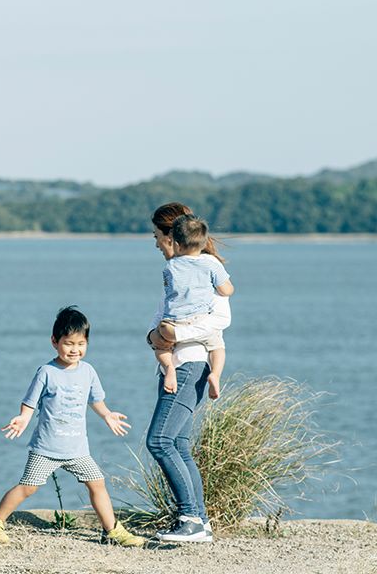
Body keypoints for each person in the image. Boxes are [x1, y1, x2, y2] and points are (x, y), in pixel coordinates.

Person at [0, 307, 144, 547]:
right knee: (28, 487)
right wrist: (24, 418)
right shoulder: (47, 372)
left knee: (97, 483)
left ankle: (112, 530)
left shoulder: (88, 371)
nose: (75, 349)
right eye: (68, 343)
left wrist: (107, 415)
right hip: (47, 448)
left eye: (81, 344)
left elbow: (95, 400)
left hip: (77, 449)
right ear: (54, 342)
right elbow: (30, 402)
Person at [145, 202, 225, 543]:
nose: (155, 244)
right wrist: (155, 336)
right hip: (175, 364)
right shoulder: (176, 275)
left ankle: (189, 517)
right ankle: (200, 521)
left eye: (156, 236)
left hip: (190, 364)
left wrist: (174, 334)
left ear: (172, 238)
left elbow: (220, 321)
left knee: (159, 440)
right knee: (178, 442)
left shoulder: (208, 272)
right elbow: (157, 324)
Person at [152, 214, 234, 396]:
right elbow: (227, 290)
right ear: (203, 243)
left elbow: (169, 295)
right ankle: (215, 375)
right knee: (217, 346)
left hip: (171, 324)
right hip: (199, 319)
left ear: (176, 244)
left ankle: (169, 369)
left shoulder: (170, 267)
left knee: (162, 348)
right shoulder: (211, 265)